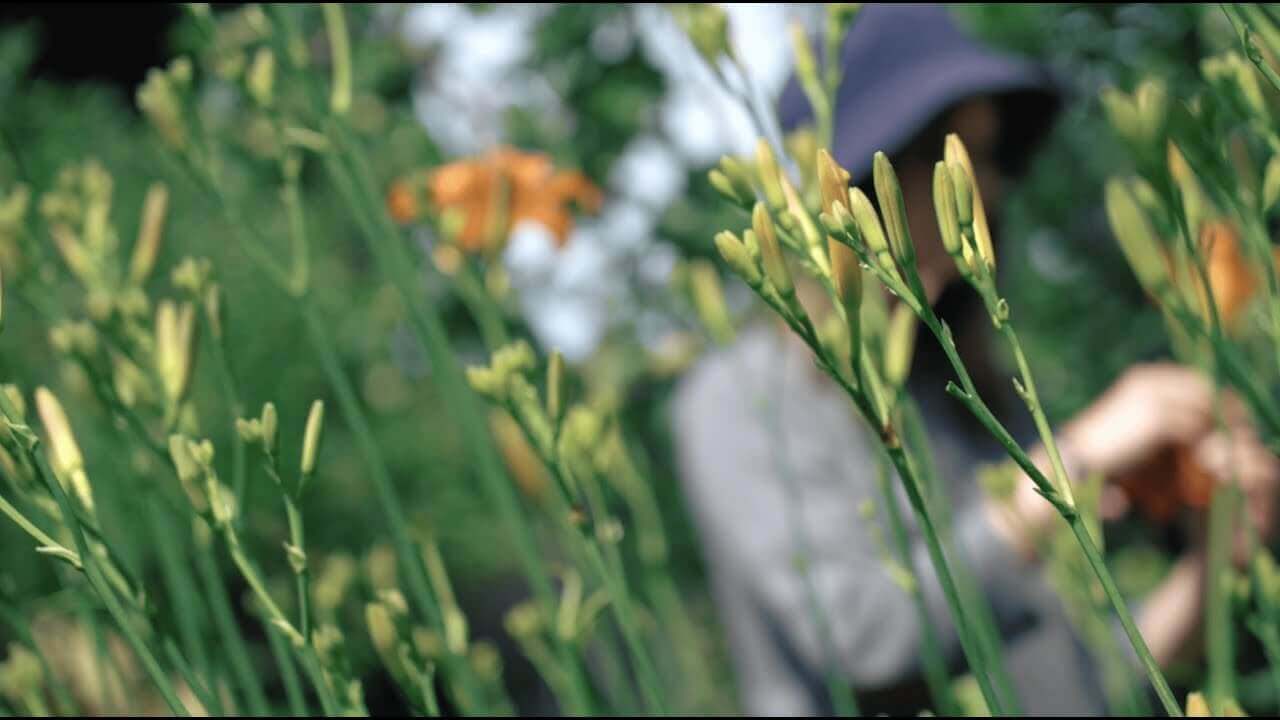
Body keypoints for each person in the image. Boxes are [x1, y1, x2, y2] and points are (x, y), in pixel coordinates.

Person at [671, 5, 1280, 716]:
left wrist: (1209, 570)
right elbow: (869, 643)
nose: (985, 190)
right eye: (951, 154)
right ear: (866, 182)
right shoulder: (740, 397)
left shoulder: (954, 382)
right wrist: (1074, 454)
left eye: (989, 158)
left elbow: (1070, 688)